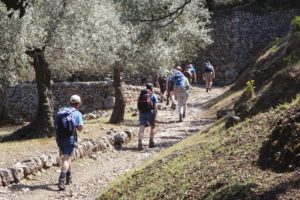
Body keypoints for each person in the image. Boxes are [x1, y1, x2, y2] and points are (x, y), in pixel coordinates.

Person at [54, 95, 84, 190]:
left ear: (70, 102)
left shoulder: (62, 111)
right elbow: (80, 129)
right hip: (69, 138)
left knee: (67, 157)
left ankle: (69, 177)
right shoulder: (77, 113)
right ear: (78, 104)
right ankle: (61, 180)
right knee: (66, 159)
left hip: (59, 138)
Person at [137, 83, 158, 150]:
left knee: (141, 127)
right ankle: (151, 142)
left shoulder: (142, 94)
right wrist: (155, 117)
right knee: (152, 126)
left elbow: (139, 105)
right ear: (152, 88)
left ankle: (140, 143)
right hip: (150, 113)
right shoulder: (153, 95)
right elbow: (155, 107)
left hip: (142, 112)